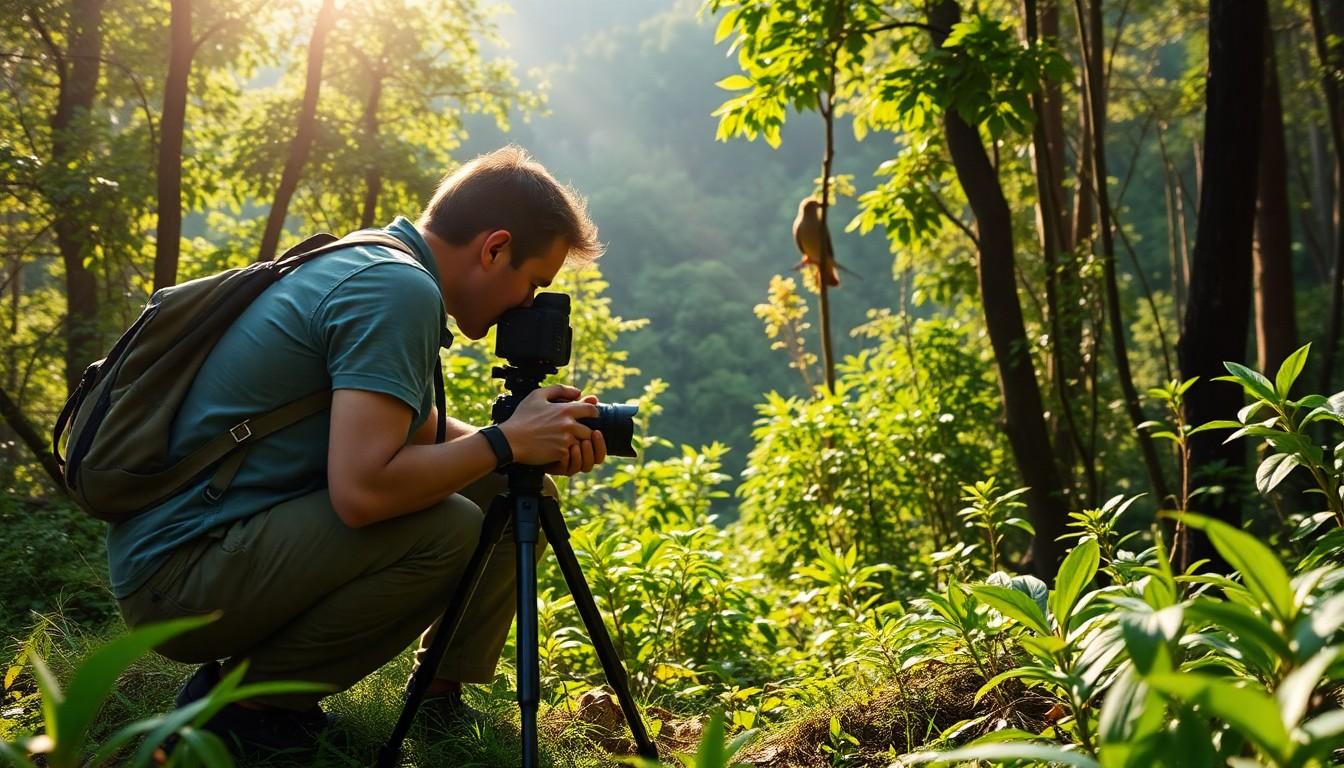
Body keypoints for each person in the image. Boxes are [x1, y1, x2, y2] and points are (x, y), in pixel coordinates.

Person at [107, 145, 608, 752]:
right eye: (534, 284)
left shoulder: (377, 260)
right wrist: (506, 440)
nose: (529, 306)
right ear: (494, 248)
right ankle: (244, 709)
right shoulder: (397, 290)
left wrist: (522, 447)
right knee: (448, 528)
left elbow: (417, 436)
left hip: (201, 543)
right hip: (181, 572)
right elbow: (363, 492)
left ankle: (438, 699)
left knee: (503, 483)